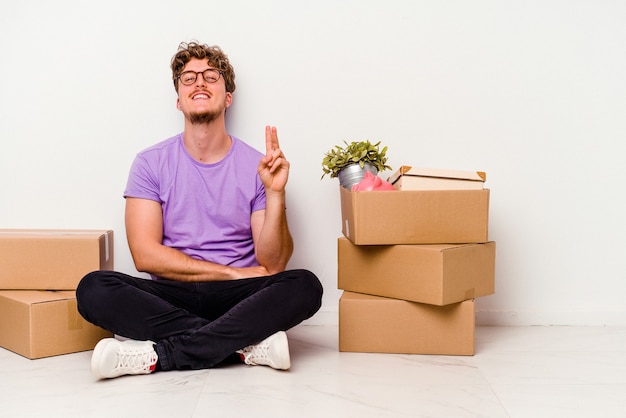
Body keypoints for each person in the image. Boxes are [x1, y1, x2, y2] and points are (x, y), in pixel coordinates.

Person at [76, 41, 323, 379]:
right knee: (93, 289)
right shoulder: (150, 163)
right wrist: (232, 272)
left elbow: (274, 263)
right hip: (173, 293)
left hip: (238, 299)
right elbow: (145, 256)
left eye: (211, 76)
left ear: (228, 97)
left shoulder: (256, 165)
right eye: (188, 78)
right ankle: (242, 344)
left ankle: (158, 356)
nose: (200, 83)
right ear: (178, 99)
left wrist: (275, 193)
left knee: (305, 285)